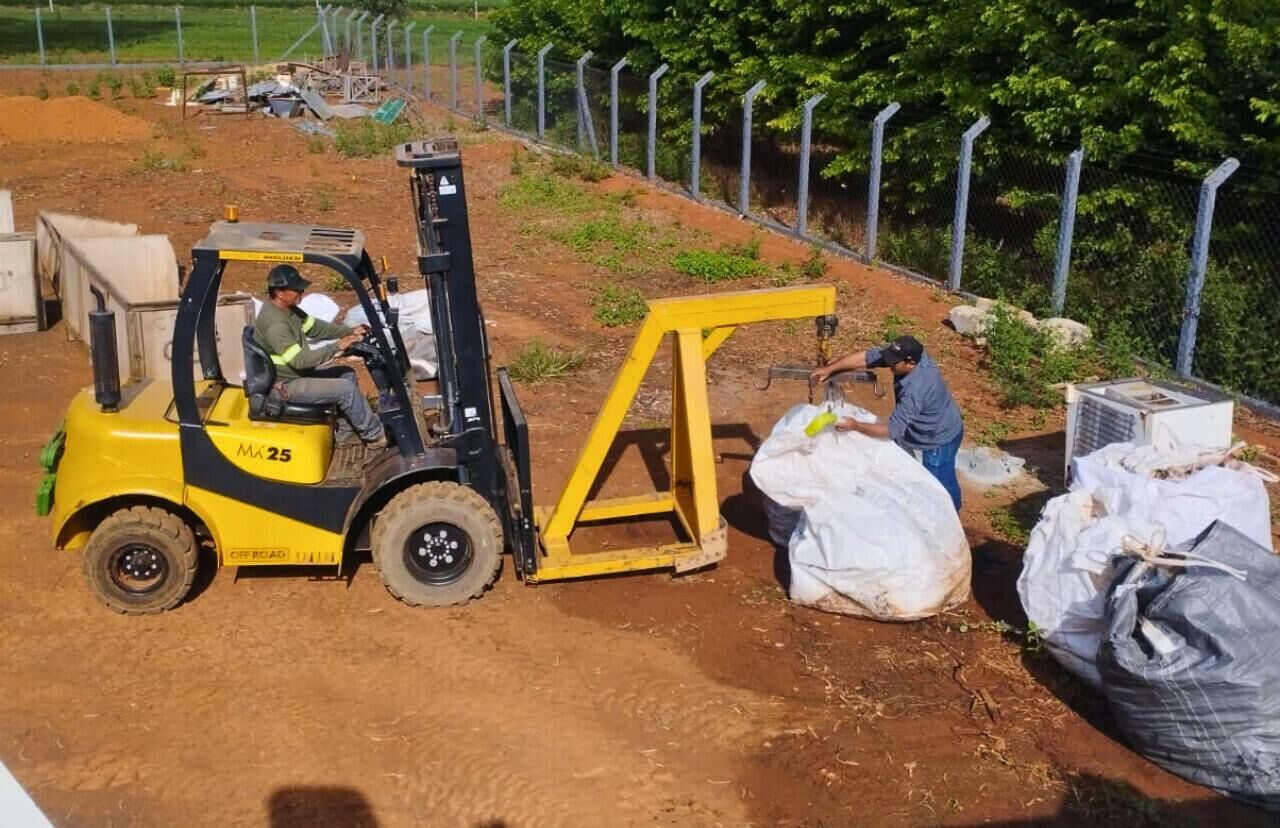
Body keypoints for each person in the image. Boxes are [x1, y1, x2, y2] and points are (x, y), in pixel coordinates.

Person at [811, 334, 964, 510]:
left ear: (910, 363)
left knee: (939, 487)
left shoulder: (916, 389)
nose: (890, 365)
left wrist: (855, 425)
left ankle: (951, 519)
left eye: (895, 363)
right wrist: (829, 369)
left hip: (939, 438)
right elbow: (866, 357)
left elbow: (892, 430)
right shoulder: (909, 357)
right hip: (925, 424)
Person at [253, 264, 386, 447]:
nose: (302, 292)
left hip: (296, 375)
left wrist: (349, 331)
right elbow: (301, 361)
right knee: (345, 389)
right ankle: (376, 436)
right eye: (297, 289)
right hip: (286, 385)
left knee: (347, 373)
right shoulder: (276, 325)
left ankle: (346, 432)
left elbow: (316, 328)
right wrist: (337, 346)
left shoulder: (288, 311)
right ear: (280, 292)